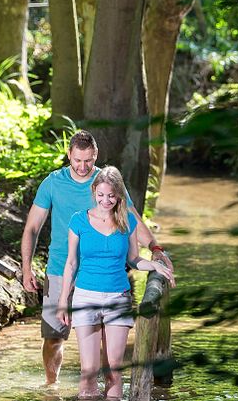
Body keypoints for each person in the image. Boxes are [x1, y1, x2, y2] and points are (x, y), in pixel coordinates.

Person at [21, 130, 172, 385]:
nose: (82, 166)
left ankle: (106, 394)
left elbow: (132, 218)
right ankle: (51, 385)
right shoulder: (53, 183)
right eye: (77, 160)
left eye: (88, 160)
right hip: (60, 269)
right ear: (69, 155)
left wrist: (155, 249)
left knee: (105, 339)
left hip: (102, 274)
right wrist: (27, 269)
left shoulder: (106, 184)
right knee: (54, 336)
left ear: (96, 155)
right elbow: (32, 228)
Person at [55, 166, 175, 398]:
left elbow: (133, 259)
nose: (105, 200)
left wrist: (155, 264)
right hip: (85, 298)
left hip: (117, 298)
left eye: (111, 195)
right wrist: (63, 300)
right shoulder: (78, 221)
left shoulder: (127, 221)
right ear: (94, 192)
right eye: (100, 195)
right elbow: (70, 264)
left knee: (113, 372)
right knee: (88, 372)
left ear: (119, 195)